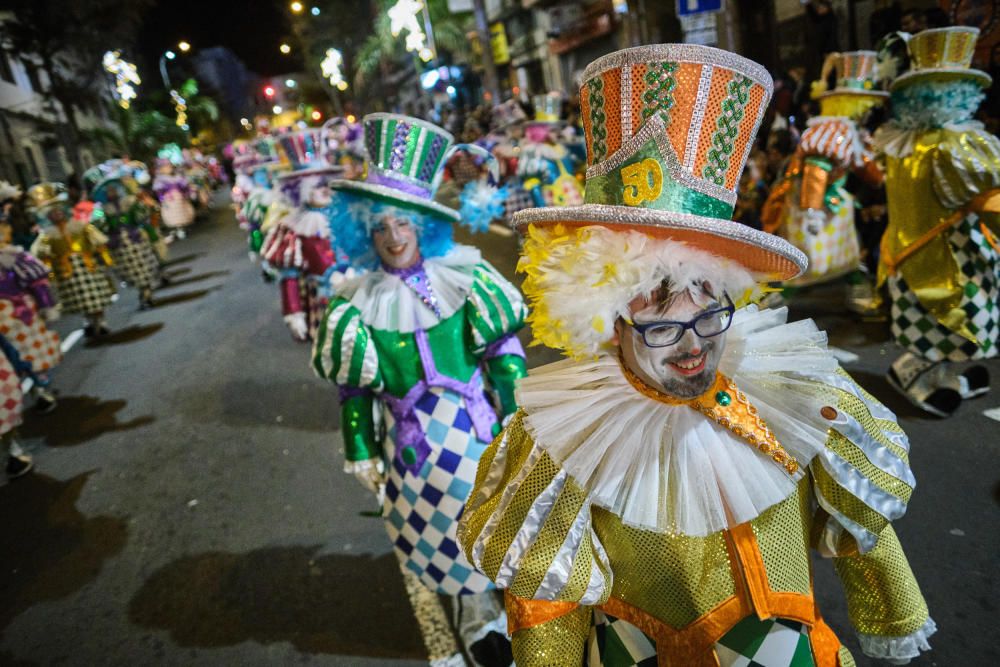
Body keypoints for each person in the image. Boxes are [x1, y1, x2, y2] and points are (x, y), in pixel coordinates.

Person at [460, 43, 934, 667]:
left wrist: (896, 613)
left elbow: (861, 517)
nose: (691, 342)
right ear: (605, 318)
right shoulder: (561, 436)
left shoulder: (794, 390)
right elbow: (548, 599)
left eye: (708, 303)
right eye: (658, 312)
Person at [312, 113, 527, 665]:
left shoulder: (466, 278)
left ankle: (513, 607)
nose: (393, 237)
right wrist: (358, 448)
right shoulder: (354, 304)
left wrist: (522, 413)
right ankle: (478, 617)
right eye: (380, 226)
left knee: (499, 520)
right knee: (443, 534)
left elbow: (502, 356)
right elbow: (354, 394)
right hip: (413, 449)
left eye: (403, 224)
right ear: (363, 230)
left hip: (477, 433)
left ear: (422, 224)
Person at [873, 26, 999, 416]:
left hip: (906, 249)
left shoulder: (899, 142)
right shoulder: (955, 145)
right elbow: (990, 202)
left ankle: (939, 374)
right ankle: (911, 373)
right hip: (951, 255)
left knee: (928, 320)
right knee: (949, 316)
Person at [762, 51, 887, 312]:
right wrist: (812, 211)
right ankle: (778, 297)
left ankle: (855, 285)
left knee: (846, 251)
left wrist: (881, 177)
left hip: (833, 202)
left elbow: (863, 166)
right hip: (810, 204)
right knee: (808, 254)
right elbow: (816, 171)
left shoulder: (849, 132)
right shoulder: (831, 132)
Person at [26, 184, 115, 338]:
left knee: (95, 296)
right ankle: (88, 320)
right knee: (79, 300)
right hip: (66, 272)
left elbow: (97, 241)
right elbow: (40, 255)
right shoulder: (47, 236)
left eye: (58, 210)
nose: (57, 214)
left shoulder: (80, 226)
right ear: (47, 216)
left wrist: (104, 257)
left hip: (87, 266)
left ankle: (101, 321)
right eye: (52, 213)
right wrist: (49, 268)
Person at [0, 215, 61, 412]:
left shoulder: (13, 256)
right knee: (20, 355)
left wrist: (45, 305)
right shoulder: (14, 256)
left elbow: (38, 283)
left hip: (13, 315)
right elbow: (38, 284)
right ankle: (34, 392)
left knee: (21, 354)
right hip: (15, 315)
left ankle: (37, 390)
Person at [86, 165, 161, 310]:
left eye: (113, 189)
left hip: (136, 239)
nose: (111, 192)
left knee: (144, 266)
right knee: (129, 271)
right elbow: (97, 227)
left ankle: (147, 292)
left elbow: (143, 216)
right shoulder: (100, 210)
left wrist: (146, 228)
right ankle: (143, 292)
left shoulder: (130, 202)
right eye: (108, 191)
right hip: (118, 246)